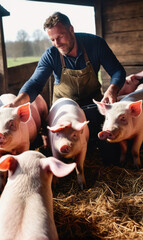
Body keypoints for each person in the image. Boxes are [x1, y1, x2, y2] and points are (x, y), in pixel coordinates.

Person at [8, 12, 126, 165]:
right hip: (64, 110)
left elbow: (117, 71)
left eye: (60, 37)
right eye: (52, 40)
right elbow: (35, 83)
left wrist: (112, 90)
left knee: (110, 152)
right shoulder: (51, 55)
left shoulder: (95, 44)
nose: (57, 43)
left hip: (92, 104)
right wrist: (15, 103)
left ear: (71, 30)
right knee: (63, 151)